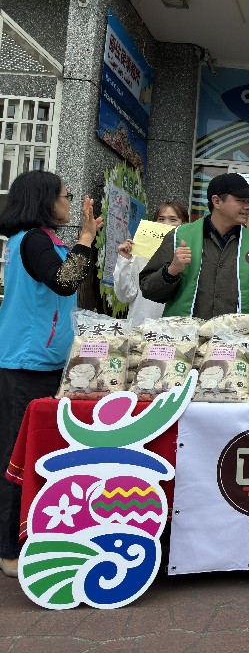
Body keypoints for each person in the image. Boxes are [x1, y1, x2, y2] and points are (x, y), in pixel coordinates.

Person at [0, 170, 102, 578]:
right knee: (16, 456)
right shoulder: (33, 240)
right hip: (26, 363)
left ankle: (27, 536)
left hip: (45, 361)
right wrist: (86, 239)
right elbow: (64, 282)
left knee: (33, 453)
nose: (69, 202)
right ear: (45, 201)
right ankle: (8, 548)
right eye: (65, 196)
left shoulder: (43, 239)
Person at [140, 173, 249, 319]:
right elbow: (148, 290)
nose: (247, 207)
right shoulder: (179, 236)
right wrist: (171, 271)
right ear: (217, 201)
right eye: (240, 200)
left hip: (237, 332)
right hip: (187, 331)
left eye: (248, 202)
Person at [113, 200, 188, 328]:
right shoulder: (139, 254)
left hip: (175, 330)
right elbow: (125, 296)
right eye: (161, 219)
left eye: (173, 219)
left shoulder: (188, 255)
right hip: (140, 328)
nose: (166, 224)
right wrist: (124, 260)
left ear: (184, 224)